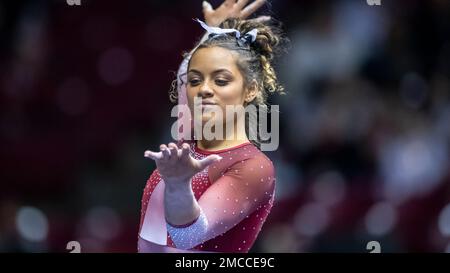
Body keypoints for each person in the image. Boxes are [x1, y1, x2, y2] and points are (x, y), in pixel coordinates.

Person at [138, 0, 285, 253]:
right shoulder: (189, 140)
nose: (204, 89)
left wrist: (178, 185)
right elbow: (188, 72)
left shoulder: (253, 166)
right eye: (196, 81)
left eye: (221, 80)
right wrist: (214, 33)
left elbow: (189, 236)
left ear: (250, 89)